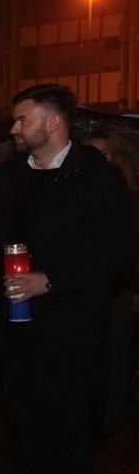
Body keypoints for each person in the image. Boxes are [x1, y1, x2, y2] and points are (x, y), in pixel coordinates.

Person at [0, 85, 136, 474]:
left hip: (72, 335)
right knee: (23, 436)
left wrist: (51, 281)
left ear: (52, 123)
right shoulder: (11, 178)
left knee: (72, 441)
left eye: (22, 120)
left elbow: (119, 255)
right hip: (19, 331)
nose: (14, 128)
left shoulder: (97, 177)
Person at [84, 128, 139, 432]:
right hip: (90, 290)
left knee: (114, 356)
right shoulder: (84, 195)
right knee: (91, 357)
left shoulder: (131, 197)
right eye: (90, 154)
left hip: (121, 292)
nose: (97, 160)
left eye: (103, 153)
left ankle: (109, 417)